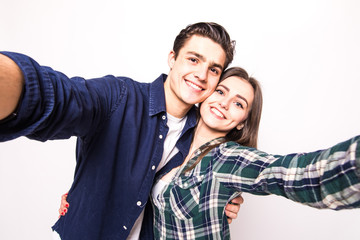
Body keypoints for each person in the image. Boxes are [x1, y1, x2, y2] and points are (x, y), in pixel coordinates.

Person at [0, 22, 243, 240]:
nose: (201, 75)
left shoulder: (200, 137)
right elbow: (64, 98)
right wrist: (12, 82)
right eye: (193, 59)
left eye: (214, 69)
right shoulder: (119, 96)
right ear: (172, 58)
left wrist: (220, 204)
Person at [59, 66, 360, 239]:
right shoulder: (171, 141)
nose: (225, 104)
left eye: (239, 104)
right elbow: (121, 163)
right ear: (205, 94)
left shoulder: (227, 159)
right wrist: (85, 196)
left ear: (242, 121)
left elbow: (289, 174)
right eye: (221, 91)